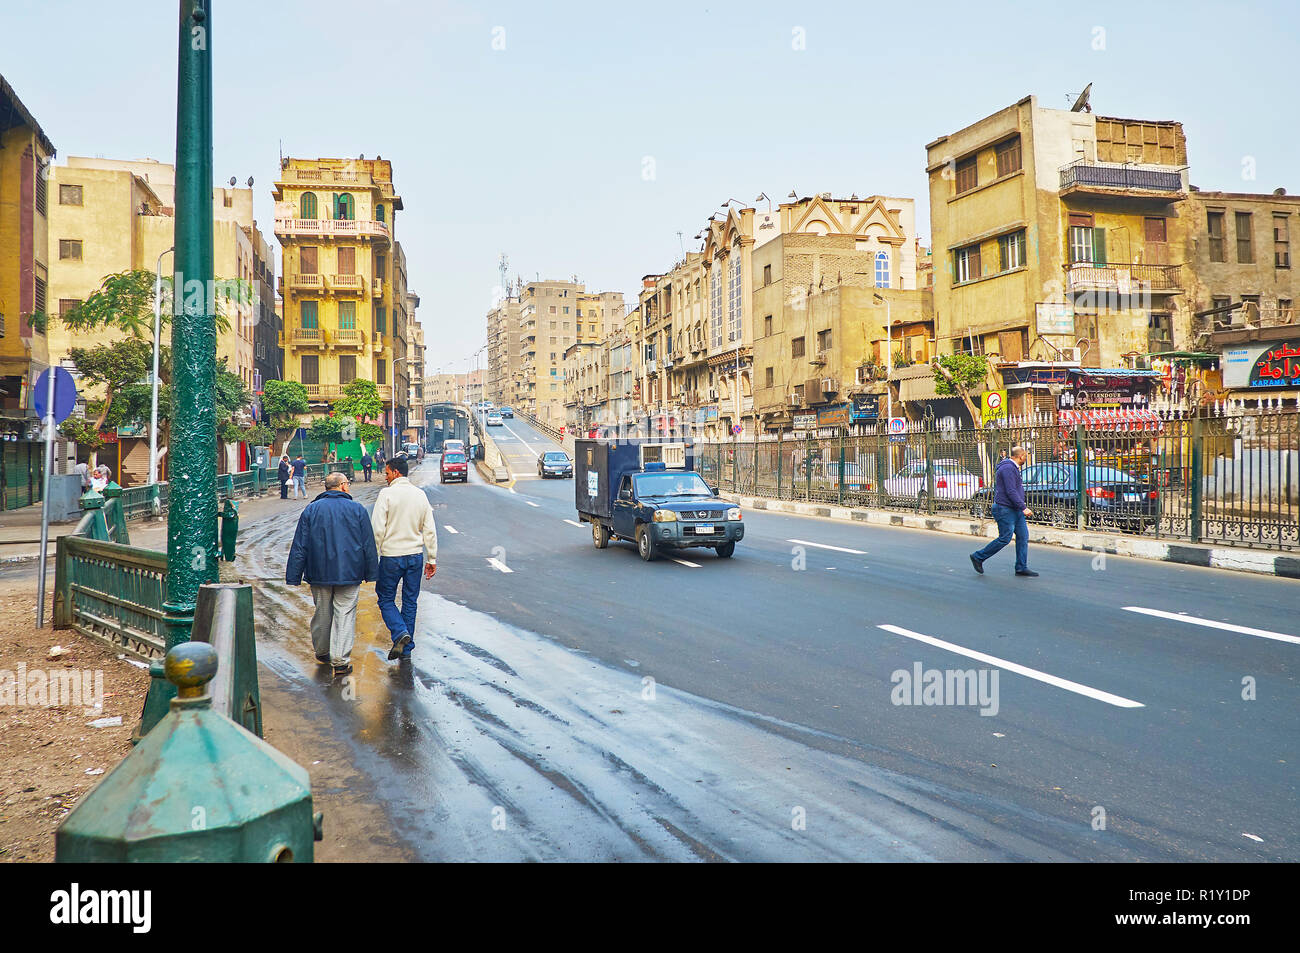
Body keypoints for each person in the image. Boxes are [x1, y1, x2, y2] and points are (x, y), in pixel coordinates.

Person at [286, 471, 378, 677]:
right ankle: (340, 661)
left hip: (319, 572)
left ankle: (322, 651)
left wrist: (294, 575)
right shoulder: (357, 509)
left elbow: (300, 545)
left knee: (322, 612)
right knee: (344, 613)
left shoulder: (311, 510)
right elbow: (368, 544)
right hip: (350, 572)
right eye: (348, 484)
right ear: (343, 486)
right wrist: (372, 572)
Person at [371, 455, 437, 661]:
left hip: (391, 557)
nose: (385, 477)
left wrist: (373, 557)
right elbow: (430, 530)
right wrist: (432, 559)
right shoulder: (420, 495)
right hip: (415, 557)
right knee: (410, 600)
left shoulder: (386, 495)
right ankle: (406, 649)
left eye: (387, 473)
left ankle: (400, 633)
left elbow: (377, 529)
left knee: (385, 598)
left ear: (396, 472)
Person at [970, 445, 1037, 577]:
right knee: (1005, 538)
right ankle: (978, 556)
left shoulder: (1012, 468)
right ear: (1021, 456)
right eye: (1025, 456)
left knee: (1023, 536)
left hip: (1014, 509)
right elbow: (1010, 491)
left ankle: (1021, 567)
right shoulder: (1007, 468)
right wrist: (1023, 507)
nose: (1026, 458)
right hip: (1005, 509)